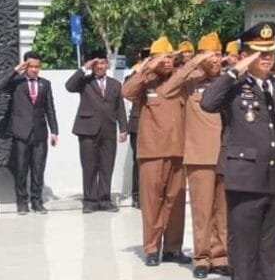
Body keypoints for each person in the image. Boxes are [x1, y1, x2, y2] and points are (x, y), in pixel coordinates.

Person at [201, 21, 275, 280]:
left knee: (269, 255)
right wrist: (234, 70)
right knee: (245, 254)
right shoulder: (233, 87)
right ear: (245, 55)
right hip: (245, 180)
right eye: (258, 53)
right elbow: (207, 103)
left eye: (270, 52)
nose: (266, 58)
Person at [159, 32, 229, 279]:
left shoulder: (229, 80)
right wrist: (193, 64)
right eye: (210, 55)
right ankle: (202, 256)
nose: (215, 60)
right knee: (202, 211)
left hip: (228, 154)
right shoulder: (190, 82)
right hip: (200, 154)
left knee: (223, 211)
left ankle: (220, 255)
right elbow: (167, 90)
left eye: (218, 55)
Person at [122, 36, 188, 266]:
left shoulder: (180, 80)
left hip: (178, 150)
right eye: (162, 57)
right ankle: (151, 248)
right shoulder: (144, 81)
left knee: (176, 202)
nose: (167, 62)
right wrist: (146, 69)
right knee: (152, 202)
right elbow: (127, 93)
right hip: (151, 151)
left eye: (170, 57)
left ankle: (172, 248)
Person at [0, 51, 58, 214]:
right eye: (31, 66)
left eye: (37, 67)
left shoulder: (45, 84)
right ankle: (22, 202)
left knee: (38, 169)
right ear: (25, 66)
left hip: (39, 133)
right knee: (21, 169)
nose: (35, 70)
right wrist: (15, 71)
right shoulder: (17, 82)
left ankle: (37, 201)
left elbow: (50, 109)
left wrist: (54, 131)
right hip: (21, 133)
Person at [65, 51, 128, 213]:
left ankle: (105, 199)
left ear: (107, 64)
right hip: (87, 129)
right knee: (89, 166)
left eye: (103, 63)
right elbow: (69, 86)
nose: (100, 67)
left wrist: (123, 128)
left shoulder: (115, 84)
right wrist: (84, 68)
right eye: (97, 64)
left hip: (108, 130)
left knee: (107, 165)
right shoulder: (84, 82)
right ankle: (90, 200)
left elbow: (119, 107)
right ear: (92, 65)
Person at [124, 47, 149, 209]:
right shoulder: (134, 75)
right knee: (138, 160)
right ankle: (137, 195)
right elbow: (127, 88)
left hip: (157, 126)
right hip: (137, 123)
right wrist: (140, 69)